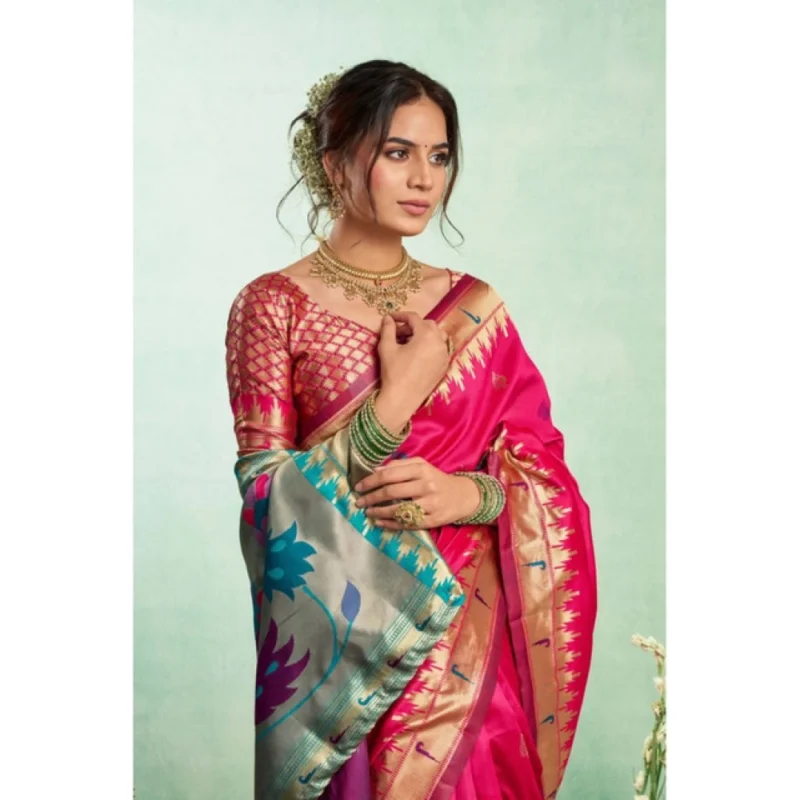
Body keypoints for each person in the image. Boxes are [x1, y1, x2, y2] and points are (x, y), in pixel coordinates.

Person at [225, 59, 597, 800]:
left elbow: (544, 471)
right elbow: (265, 501)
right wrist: (395, 402)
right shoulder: (273, 306)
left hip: (473, 660)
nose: (425, 179)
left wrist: (471, 496)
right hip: (351, 665)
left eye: (440, 156)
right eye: (398, 153)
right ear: (335, 161)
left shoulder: (475, 308)